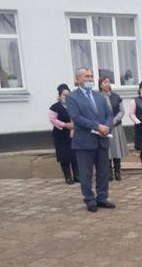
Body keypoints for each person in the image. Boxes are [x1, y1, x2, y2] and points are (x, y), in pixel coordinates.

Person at [66, 68, 115, 212]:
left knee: (103, 171)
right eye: (86, 76)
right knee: (86, 173)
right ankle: (89, 199)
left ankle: (102, 197)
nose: (90, 79)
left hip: (102, 139)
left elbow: (109, 114)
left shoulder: (99, 96)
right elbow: (76, 117)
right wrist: (97, 126)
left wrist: (107, 127)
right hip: (84, 142)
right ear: (78, 79)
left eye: (91, 76)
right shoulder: (72, 97)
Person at [98, 76, 129, 181]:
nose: (107, 84)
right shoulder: (97, 97)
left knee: (116, 150)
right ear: (100, 85)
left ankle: (117, 171)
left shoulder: (116, 96)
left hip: (116, 127)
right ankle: (109, 173)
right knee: (107, 150)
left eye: (108, 82)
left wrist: (115, 120)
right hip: (104, 128)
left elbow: (122, 110)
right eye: (105, 82)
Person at [48, 84, 79, 184]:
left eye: (68, 95)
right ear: (60, 96)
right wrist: (64, 125)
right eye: (64, 95)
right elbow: (52, 119)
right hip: (61, 136)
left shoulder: (73, 106)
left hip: (74, 135)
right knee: (64, 157)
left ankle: (77, 176)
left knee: (75, 156)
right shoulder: (55, 107)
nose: (66, 97)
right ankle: (68, 177)